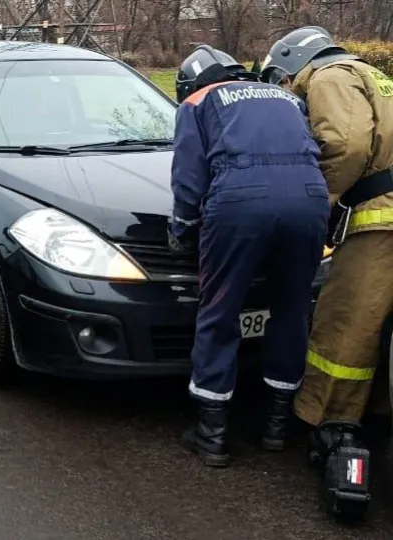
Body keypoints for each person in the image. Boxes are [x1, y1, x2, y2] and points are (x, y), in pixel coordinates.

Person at [170, 45, 330, 467]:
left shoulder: (198, 102)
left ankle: (212, 436)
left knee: (219, 312)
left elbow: (189, 179)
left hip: (241, 202)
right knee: (292, 310)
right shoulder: (287, 97)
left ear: (191, 82)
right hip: (310, 200)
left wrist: (183, 232)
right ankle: (277, 427)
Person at [260, 27, 393, 446]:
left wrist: (324, 198)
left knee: (346, 322)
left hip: (379, 219)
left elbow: (347, 145)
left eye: (283, 82)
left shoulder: (329, 77)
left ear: (292, 64)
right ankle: (378, 410)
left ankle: (326, 417)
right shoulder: (371, 74)